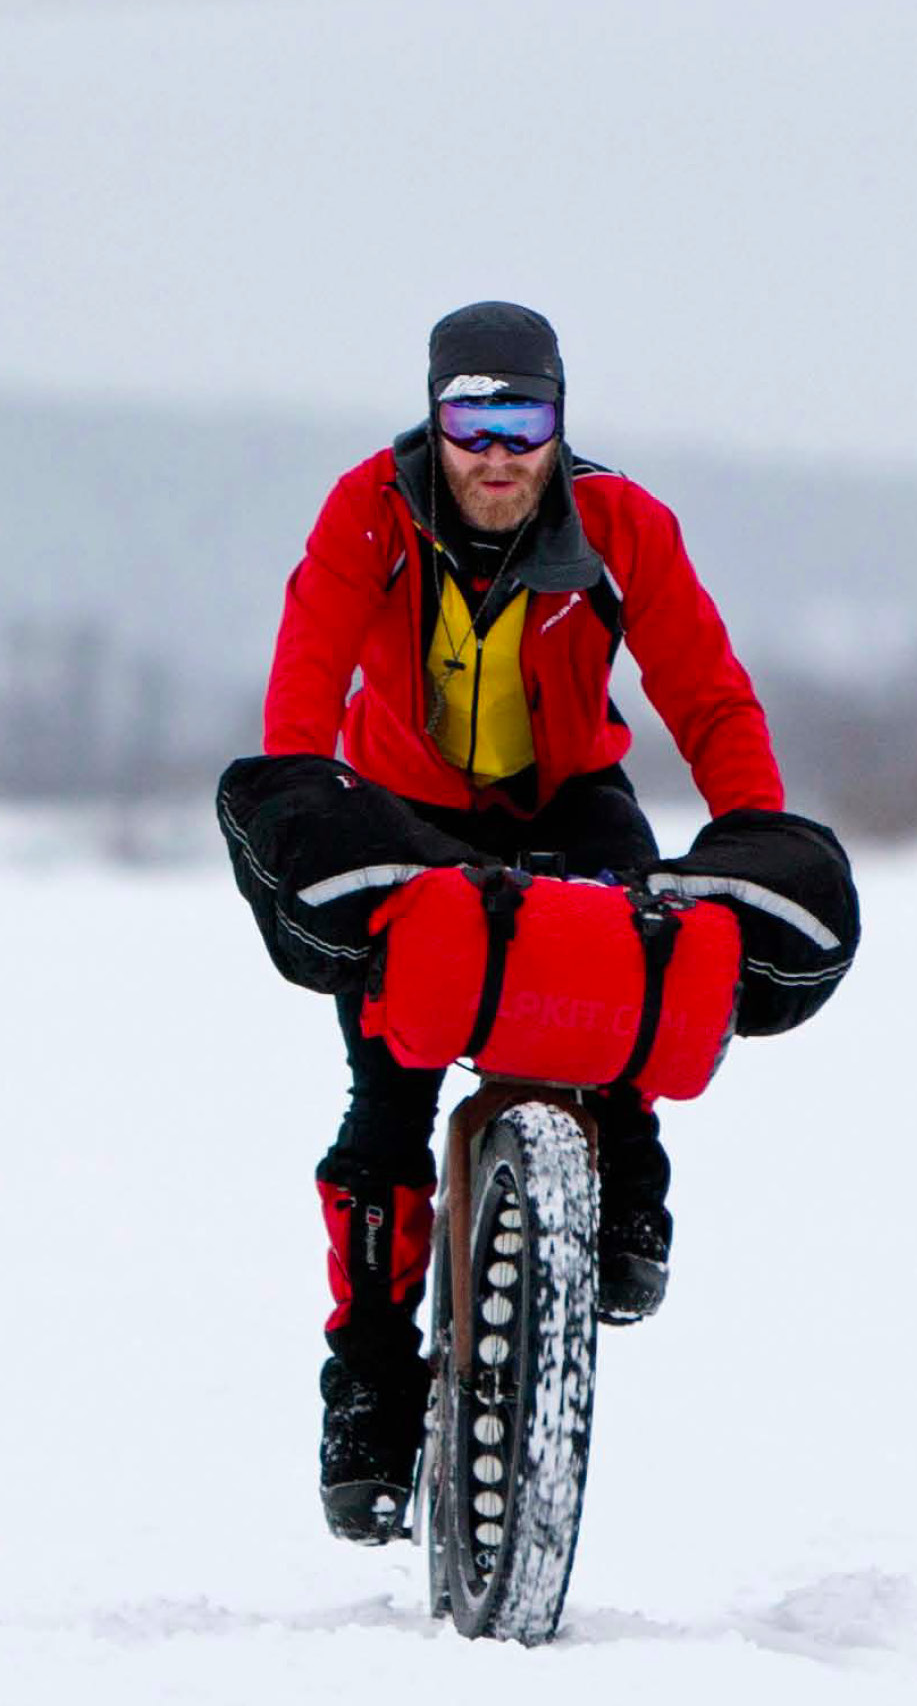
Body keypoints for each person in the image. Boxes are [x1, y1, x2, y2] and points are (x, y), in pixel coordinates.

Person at [262, 299, 789, 1541]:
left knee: (632, 954)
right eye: (471, 419)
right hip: (401, 809)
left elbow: (706, 694)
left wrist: (759, 830)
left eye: (524, 420)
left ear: (559, 425)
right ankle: (371, 1383)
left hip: (566, 799)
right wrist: (299, 807)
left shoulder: (620, 526)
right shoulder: (366, 513)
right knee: (388, 1094)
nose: (496, 451)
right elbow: (305, 678)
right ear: (433, 421)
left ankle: (624, 1162)